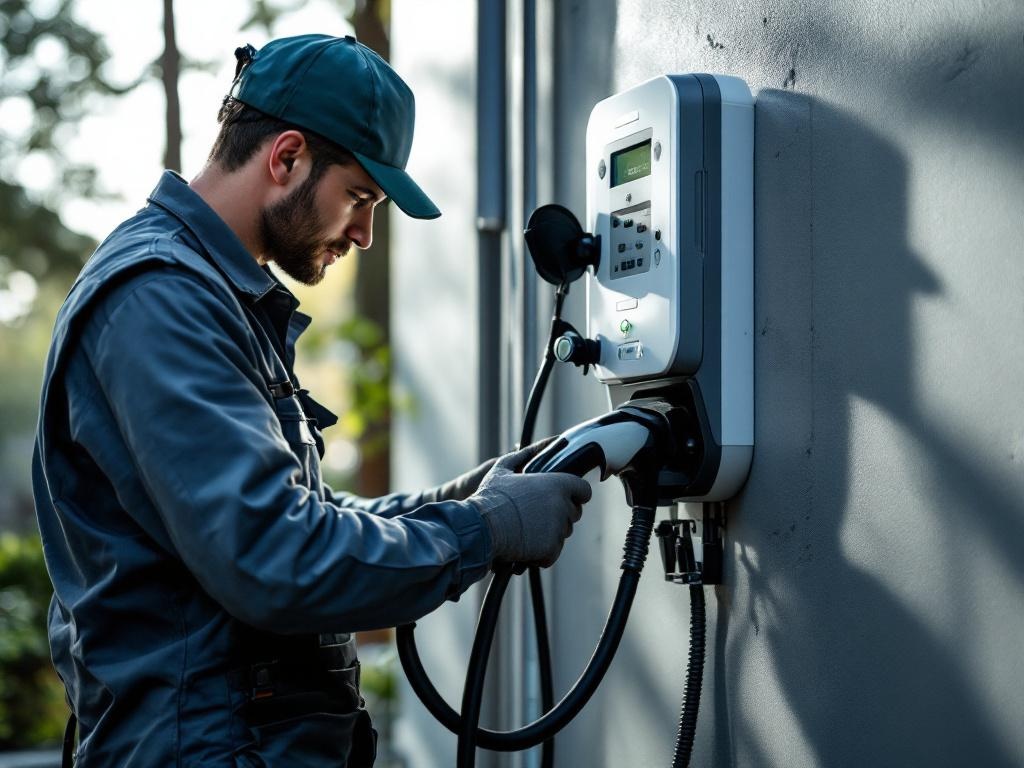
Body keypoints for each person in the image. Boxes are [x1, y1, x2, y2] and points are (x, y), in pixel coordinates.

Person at [32, 34, 591, 767]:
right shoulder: (160, 302)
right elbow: (275, 559)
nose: (362, 233)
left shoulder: (215, 301)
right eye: (359, 197)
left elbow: (294, 519)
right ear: (286, 156)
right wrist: (479, 533)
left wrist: (462, 502)